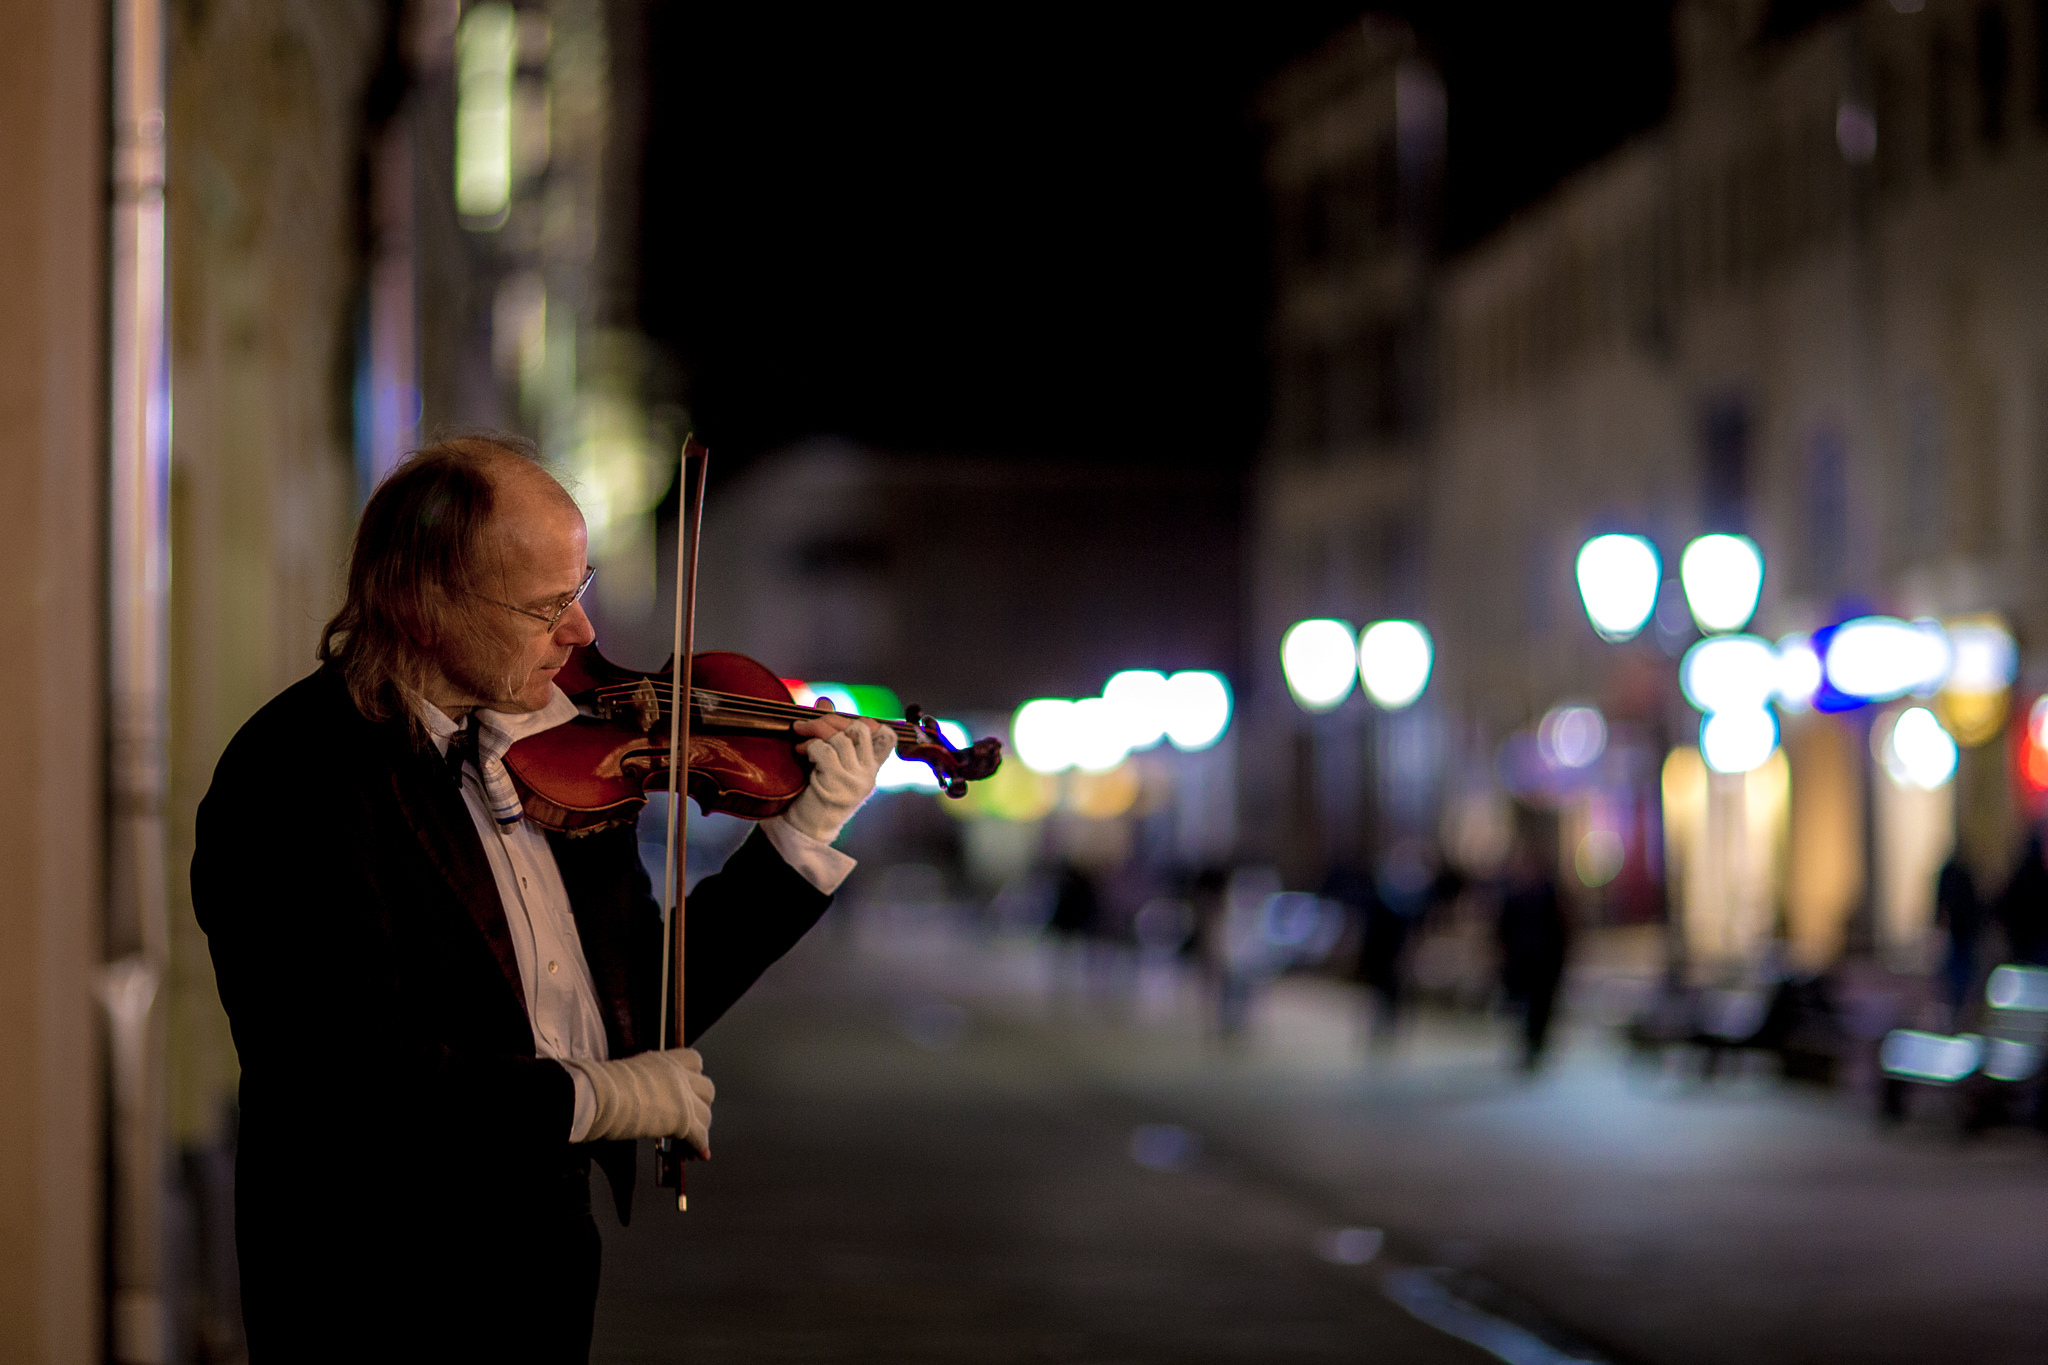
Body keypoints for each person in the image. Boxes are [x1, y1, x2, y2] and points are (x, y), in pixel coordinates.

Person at [192, 438, 896, 1362]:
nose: (581, 635)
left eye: (581, 589)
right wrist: (594, 1100)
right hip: (379, 1291)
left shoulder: (560, 755)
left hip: (543, 1275)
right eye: (546, 606)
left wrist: (797, 840)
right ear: (426, 607)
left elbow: (639, 998)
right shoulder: (298, 775)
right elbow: (351, 1080)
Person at [1497, 835, 1569, 1071]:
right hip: (1522, 962)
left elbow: (1562, 929)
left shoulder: (1551, 895)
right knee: (1523, 1007)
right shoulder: (1514, 896)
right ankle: (1527, 1045)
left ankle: (1537, 1045)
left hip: (1544, 962)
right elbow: (1503, 929)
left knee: (1541, 1007)